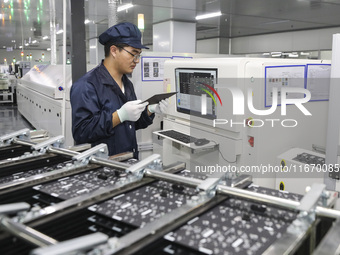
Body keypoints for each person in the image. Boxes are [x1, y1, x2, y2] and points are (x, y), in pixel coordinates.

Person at [70, 22, 168, 159]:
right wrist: (119, 116)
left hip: (128, 161)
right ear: (114, 50)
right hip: (103, 167)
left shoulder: (127, 84)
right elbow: (82, 132)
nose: (137, 60)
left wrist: (149, 110)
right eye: (133, 54)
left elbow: (132, 124)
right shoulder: (87, 85)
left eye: (139, 55)